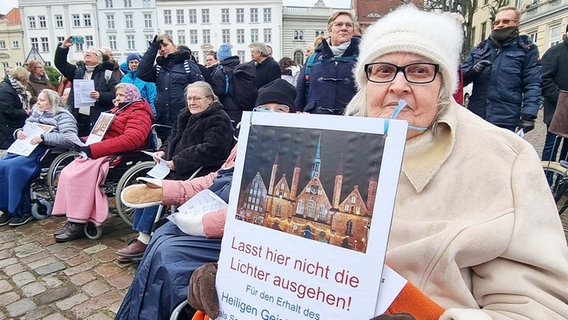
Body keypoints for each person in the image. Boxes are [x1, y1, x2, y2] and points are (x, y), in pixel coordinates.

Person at [191, 6, 568, 320]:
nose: (399, 86)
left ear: (443, 84)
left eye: (420, 71)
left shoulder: (503, 160)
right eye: (383, 70)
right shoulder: (336, 142)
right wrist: (237, 283)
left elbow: (540, 306)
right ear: (366, 81)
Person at [114, 79, 297, 320]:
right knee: (161, 233)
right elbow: (219, 175)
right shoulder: (248, 138)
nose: (272, 115)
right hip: (211, 189)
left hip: (241, 226)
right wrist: (166, 188)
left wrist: (204, 222)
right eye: (264, 109)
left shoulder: (293, 149)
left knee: (170, 255)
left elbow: (268, 206)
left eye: (281, 109)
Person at [116, 81, 234, 262]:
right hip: (173, 164)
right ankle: (142, 234)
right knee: (147, 182)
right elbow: (173, 137)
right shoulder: (185, 114)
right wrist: (162, 150)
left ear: (209, 100)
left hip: (200, 169)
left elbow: (212, 149)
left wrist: (177, 162)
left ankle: (144, 239)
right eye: (189, 98)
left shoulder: (218, 118)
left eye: (196, 98)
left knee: (157, 189)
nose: (192, 102)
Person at [51, 83, 153, 242]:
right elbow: (101, 134)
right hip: (103, 150)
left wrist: (95, 149)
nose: (116, 98)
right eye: (117, 95)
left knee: (78, 177)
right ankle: (73, 216)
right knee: (66, 172)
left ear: (131, 96)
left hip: (120, 154)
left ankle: (78, 221)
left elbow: (132, 139)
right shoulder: (118, 110)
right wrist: (82, 142)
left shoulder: (139, 112)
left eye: (120, 95)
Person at [0, 89, 77, 226]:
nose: (38, 103)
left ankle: (23, 209)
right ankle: (7, 208)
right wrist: (18, 132)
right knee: (2, 165)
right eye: (38, 100)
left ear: (51, 102)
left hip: (46, 151)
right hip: (26, 148)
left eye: (42, 100)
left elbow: (70, 138)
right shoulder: (36, 113)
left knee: (15, 168)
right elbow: (24, 129)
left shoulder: (63, 115)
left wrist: (44, 137)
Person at [461, 6, 541, 132]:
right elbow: (460, 80)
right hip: (476, 115)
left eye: (506, 21)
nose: (500, 25)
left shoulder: (526, 50)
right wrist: (472, 71)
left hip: (505, 118)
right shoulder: (480, 49)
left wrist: (529, 116)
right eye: (497, 22)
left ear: (516, 23)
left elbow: (533, 84)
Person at [137, 35, 204, 140]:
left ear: (174, 45)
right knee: (166, 152)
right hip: (164, 121)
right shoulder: (159, 68)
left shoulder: (187, 64)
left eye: (165, 45)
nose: (163, 49)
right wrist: (152, 49)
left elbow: (201, 89)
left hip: (185, 120)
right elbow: (142, 73)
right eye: (159, 48)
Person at [295, 10, 359, 115]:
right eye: (338, 24)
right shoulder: (313, 58)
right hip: (316, 122)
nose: (344, 28)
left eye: (349, 25)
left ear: (352, 30)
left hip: (351, 123)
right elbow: (300, 92)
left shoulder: (362, 58)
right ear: (330, 30)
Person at [54, 38, 118, 136]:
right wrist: (63, 48)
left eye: (92, 53)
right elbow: (60, 64)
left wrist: (100, 95)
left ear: (99, 60)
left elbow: (115, 95)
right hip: (77, 117)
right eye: (86, 52)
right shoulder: (77, 72)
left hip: (97, 118)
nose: (88, 53)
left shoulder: (107, 74)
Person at [541, 24, 568, 162]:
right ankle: (546, 178)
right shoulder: (554, 52)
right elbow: (544, 80)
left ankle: (562, 181)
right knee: (552, 146)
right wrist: (563, 100)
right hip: (556, 109)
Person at [0, 67, 32, 155]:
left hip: (11, 125)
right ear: (22, 79)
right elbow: (7, 110)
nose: (28, 82)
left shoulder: (13, 87)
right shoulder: (5, 90)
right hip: (6, 126)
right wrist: (24, 112)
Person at [210, 45, 243, 124]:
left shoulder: (220, 71)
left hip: (227, 107)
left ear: (219, 57)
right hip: (242, 104)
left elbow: (219, 92)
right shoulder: (240, 68)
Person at [120, 53, 157, 117]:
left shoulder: (146, 77)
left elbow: (152, 96)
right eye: (131, 62)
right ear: (128, 64)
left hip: (143, 111)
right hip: (127, 113)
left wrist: (153, 114)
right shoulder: (124, 79)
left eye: (136, 62)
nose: (134, 64)